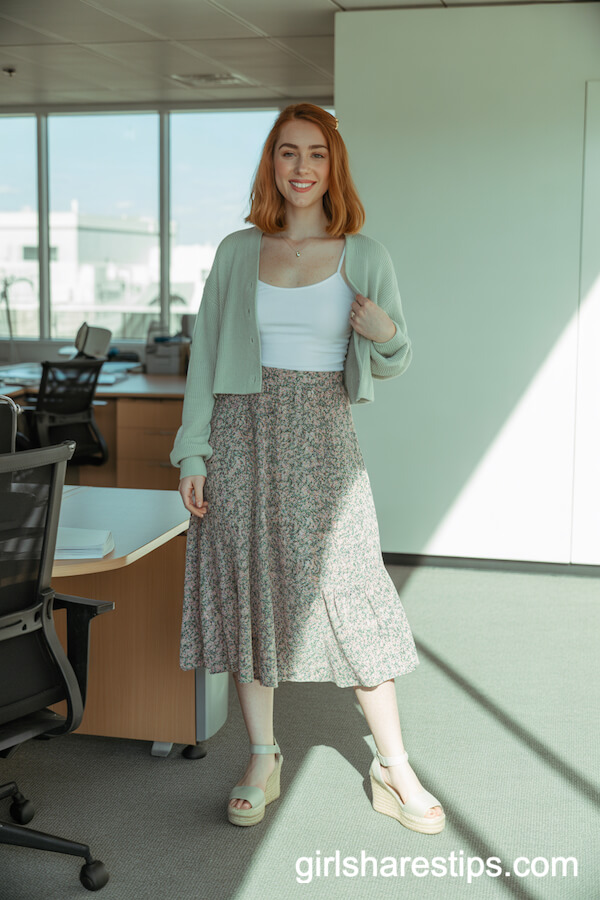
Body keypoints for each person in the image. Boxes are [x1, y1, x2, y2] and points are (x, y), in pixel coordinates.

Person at [170, 103, 445, 834]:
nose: (301, 168)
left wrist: (385, 333)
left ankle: (394, 767)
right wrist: (191, 451)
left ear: (334, 165)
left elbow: (397, 353)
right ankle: (262, 756)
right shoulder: (237, 252)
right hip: (239, 435)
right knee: (252, 590)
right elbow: (203, 363)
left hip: (324, 434)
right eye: (288, 153)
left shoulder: (366, 252)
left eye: (315, 154)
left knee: (352, 591)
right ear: (272, 165)